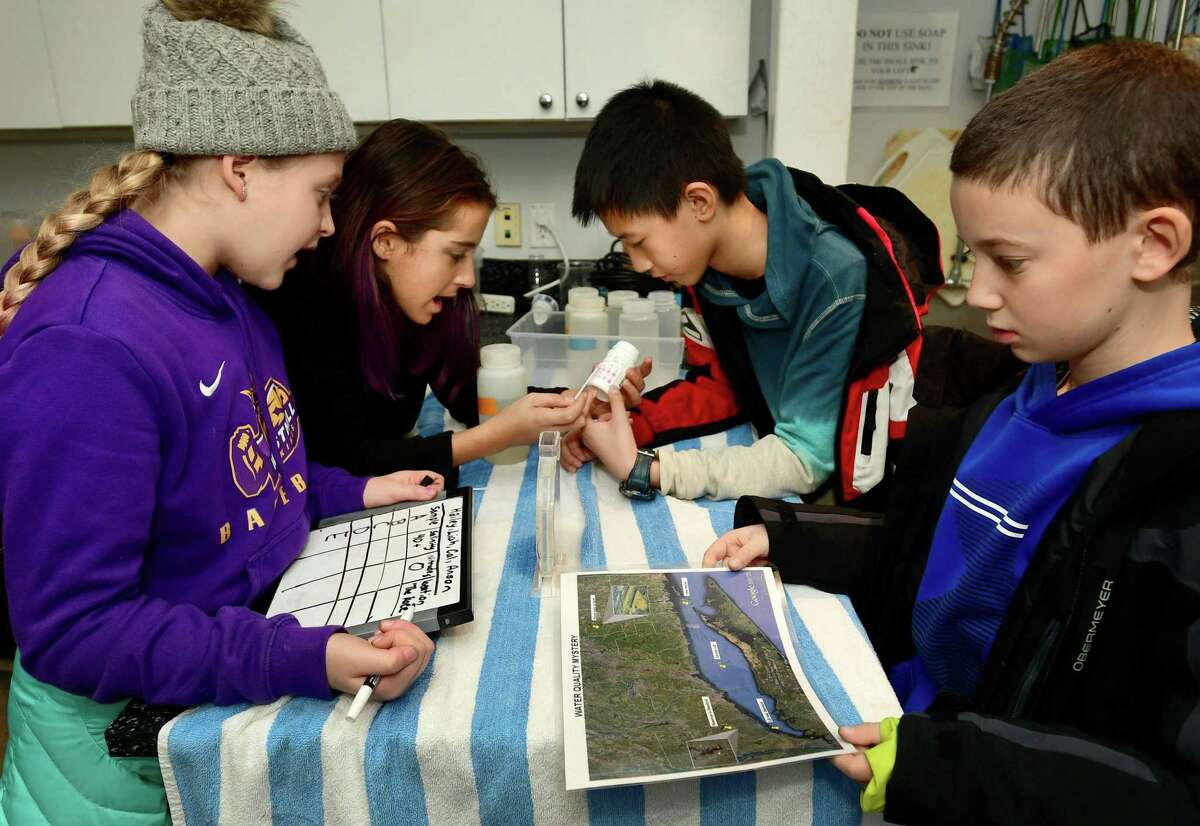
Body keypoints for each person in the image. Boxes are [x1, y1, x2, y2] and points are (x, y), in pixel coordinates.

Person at [704, 39, 1200, 824]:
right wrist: (794, 537)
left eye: (1011, 261)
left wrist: (947, 769)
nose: (981, 292)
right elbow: (940, 560)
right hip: (908, 728)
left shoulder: (1179, 485)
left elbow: (1175, 793)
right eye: (976, 256)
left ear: (1154, 244)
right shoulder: (1014, 398)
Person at [0, 3, 436, 822]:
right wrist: (302, 656)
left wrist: (351, 493)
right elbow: (76, 627)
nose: (328, 222)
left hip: (207, 711)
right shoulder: (90, 344)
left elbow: (250, 477)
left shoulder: (231, 298)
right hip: (113, 767)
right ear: (240, 169)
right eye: (321, 192)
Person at [565, 79, 939, 503]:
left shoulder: (833, 279)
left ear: (699, 202)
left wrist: (646, 468)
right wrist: (626, 424)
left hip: (858, 503)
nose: (637, 265)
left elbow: (804, 459)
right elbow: (720, 388)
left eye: (638, 241)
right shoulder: (699, 265)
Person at [257, 119, 634, 481]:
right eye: (455, 255)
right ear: (385, 242)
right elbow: (347, 461)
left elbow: (472, 398)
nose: (468, 277)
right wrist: (489, 438)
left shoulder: (419, 303)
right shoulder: (305, 309)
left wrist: (571, 401)